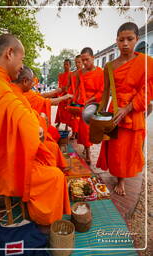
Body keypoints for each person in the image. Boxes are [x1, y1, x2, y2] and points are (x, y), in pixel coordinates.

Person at [0, 34, 71, 225]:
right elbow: (31, 130)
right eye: (21, 59)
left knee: (48, 153)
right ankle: (44, 223)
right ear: (10, 53)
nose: (22, 66)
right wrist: (39, 124)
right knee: (55, 176)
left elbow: (19, 113)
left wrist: (37, 123)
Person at [96, 22, 153, 196]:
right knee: (115, 148)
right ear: (116, 41)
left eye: (130, 39)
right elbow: (106, 93)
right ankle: (117, 174)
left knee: (129, 149)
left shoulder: (146, 62)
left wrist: (128, 108)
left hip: (133, 110)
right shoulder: (110, 66)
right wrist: (99, 118)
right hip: (114, 111)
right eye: (121, 40)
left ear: (137, 39)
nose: (125, 43)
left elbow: (148, 90)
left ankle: (122, 179)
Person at [11, 66, 70, 170]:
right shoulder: (18, 94)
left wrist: (57, 91)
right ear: (25, 81)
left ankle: (55, 163)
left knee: (52, 135)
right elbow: (45, 101)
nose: (33, 84)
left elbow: (41, 97)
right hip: (25, 141)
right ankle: (53, 166)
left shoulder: (21, 91)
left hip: (29, 133)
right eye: (32, 81)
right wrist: (42, 119)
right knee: (52, 138)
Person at [77, 47, 104, 164]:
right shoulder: (80, 73)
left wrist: (90, 100)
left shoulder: (100, 73)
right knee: (84, 130)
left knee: (91, 131)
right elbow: (77, 88)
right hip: (83, 104)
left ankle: (87, 148)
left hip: (95, 104)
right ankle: (88, 152)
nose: (84, 63)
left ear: (93, 58)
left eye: (87, 60)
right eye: (83, 60)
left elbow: (101, 91)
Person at [68, 55, 84, 140]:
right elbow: (68, 85)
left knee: (81, 118)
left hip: (82, 98)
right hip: (73, 97)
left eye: (79, 62)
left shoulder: (85, 73)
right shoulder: (72, 74)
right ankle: (74, 133)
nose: (77, 64)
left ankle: (79, 133)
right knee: (73, 117)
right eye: (76, 62)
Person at [55, 59, 72, 130]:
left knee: (68, 112)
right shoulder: (61, 75)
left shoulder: (72, 74)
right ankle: (58, 123)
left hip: (68, 95)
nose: (65, 66)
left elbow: (72, 86)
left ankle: (67, 126)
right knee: (60, 111)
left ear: (70, 65)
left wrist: (68, 91)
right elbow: (60, 85)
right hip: (62, 95)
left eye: (67, 64)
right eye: (64, 64)